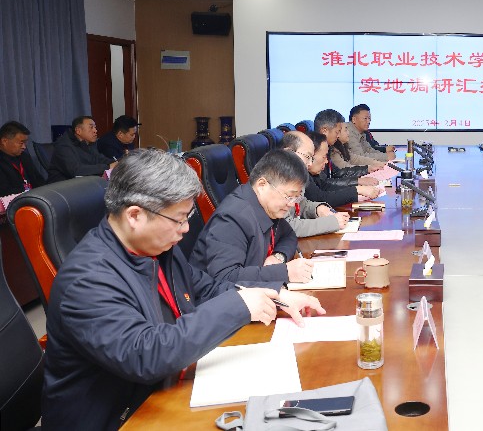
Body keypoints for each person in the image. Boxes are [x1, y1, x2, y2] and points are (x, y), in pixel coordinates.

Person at [41, 149, 325, 430]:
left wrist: (273, 294)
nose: (187, 229)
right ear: (135, 215)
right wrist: (239, 306)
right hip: (121, 417)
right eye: (179, 219)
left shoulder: (158, 248)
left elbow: (206, 286)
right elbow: (145, 354)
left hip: (166, 387)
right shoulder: (87, 279)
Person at [190, 149, 316, 283]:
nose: (291, 204)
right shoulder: (231, 218)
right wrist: (284, 272)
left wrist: (278, 257)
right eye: (289, 196)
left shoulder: (268, 207)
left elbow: (288, 235)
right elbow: (226, 278)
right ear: (262, 185)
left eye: (296, 198)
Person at [277, 130, 350, 237]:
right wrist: (330, 223)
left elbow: (300, 204)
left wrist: (317, 209)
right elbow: (286, 226)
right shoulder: (275, 179)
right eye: (307, 157)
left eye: (312, 158)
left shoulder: (295, 175)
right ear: (288, 152)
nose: (310, 163)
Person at [307, 131, 382, 206]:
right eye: (324, 157)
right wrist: (356, 189)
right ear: (309, 156)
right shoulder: (303, 175)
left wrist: (357, 189)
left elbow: (325, 186)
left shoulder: (313, 173)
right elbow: (321, 198)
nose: (326, 161)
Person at [47, 116, 116, 182]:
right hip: (60, 186)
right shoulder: (63, 146)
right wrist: (107, 167)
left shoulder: (89, 143)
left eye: (95, 127)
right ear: (78, 131)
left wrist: (118, 163)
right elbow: (75, 170)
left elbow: (98, 159)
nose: (95, 130)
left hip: (81, 182)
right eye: (91, 127)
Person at [0, 121, 45, 196]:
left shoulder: (24, 157)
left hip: (33, 197)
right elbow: (4, 193)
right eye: (21, 143)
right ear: (4, 141)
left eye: (25, 143)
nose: (24, 147)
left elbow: (39, 181)